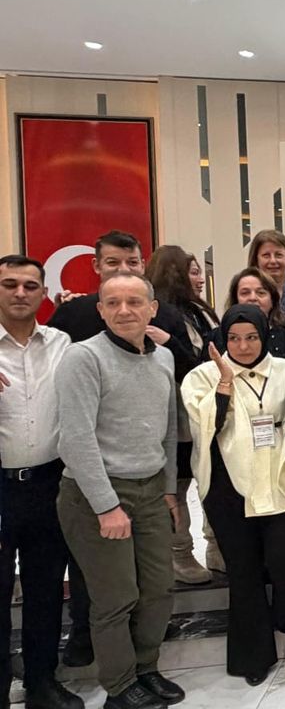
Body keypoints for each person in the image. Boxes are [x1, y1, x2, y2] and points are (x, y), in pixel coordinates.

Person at [47, 230, 198, 669]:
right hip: (99, 493)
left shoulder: (162, 358)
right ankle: (121, 683)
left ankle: (146, 668)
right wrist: (106, 506)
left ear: (152, 309)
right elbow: (75, 439)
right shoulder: (83, 358)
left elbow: (167, 431)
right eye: (113, 303)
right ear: (100, 310)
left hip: (151, 491)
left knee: (157, 589)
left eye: (134, 302)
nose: (124, 310)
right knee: (115, 598)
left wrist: (168, 489)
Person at [182, 305, 285, 686]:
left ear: (264, 336)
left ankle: (284, 611)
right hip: (228, 485)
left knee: (284, 558)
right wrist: (224, 385)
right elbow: (204, 428)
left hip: (281, 475)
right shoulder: (202, 375)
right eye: (234, 338)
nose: (243, 346)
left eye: (251, 337)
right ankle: (253, 656)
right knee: (244, 570)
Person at [0, 255, 83, 709]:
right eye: (10, 284)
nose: (20, 293)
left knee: (46, 588)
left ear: (44, 293)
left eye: (30, 286)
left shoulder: (61, 344)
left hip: (49, 482)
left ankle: (41, 681)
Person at [146, 245, 218, 587]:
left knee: (210, 482)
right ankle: (181, 554)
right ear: (174, 272)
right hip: (174, 417)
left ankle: (216, 548)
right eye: (193, 271)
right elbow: (189, 366)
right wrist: (174, 345)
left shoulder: (196, 311)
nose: (200, 279)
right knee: (176, 486)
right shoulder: (159, 314)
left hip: (204, 413)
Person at [225, 267, 285, 359]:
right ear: (235, 300)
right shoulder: (219, 337)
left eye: (261, 293)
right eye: (245, 293)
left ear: (272, 300)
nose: (253, 298)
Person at [247, 229, 285, 294]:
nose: (273, 261)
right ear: (255, 260)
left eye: (278, 255)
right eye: (266, 255)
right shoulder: (247, 296)